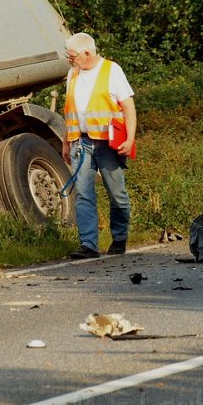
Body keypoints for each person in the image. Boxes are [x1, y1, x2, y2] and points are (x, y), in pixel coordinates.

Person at [61, 32, 136, 259]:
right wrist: (66, 142)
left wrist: (129, 139)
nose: (69, 59)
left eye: (72, 55)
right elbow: (70, 111)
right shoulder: (72, 74)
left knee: (117, 194)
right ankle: (88, 245)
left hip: (108, 144)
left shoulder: (112, 71)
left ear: (87, 53)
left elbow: (128, 109)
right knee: (83, 194)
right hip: (80, 142)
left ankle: (120, 237)